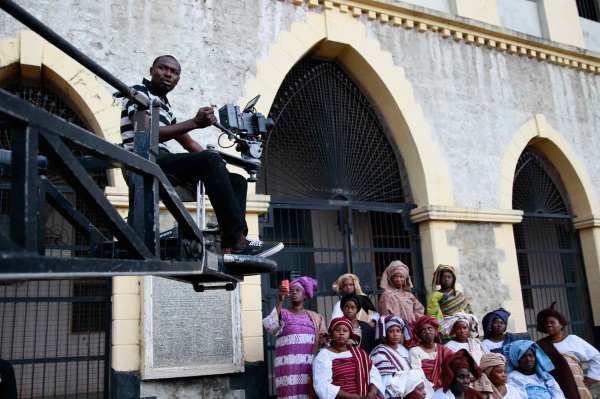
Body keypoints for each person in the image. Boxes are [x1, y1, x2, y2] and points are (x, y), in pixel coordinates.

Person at [120, 55, 282, 257]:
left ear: (178, 79)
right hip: (143, 158)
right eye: (163, 68)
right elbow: (145, 133)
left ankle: (229, 246)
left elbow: (188, 143)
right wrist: (195, 123)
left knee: (237, 181)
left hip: (162, 161)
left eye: (174, 72)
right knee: (209, 159)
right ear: (151, 70)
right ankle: (238, 242)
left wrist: (219, 166)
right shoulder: (139, 93)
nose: (168, 74)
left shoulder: (165, 106)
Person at [263, 276, 326, 399]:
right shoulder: (284, 313)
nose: (294, 292)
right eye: (291, 290)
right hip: (288, 368)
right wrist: (279, 300)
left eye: (298, 290)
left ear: (305, 295)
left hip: (308, 366)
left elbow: (324, 339)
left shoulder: (315, 317)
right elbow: (270, 326)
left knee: (308, 394)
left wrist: (324, 339)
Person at [536, 303, 600, 399]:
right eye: (546, 323)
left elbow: (596, 356)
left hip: (575, 385)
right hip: (554, 387)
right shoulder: (541, 344)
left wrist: (592, 377)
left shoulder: (573, 340)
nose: (548, 325)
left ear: (561, 324)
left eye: (552, 322)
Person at [313, 317, 385, 399]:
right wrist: (353, 397)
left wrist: (372, 392)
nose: (341, 333)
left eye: (345, 331)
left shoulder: (360, 354)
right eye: (337, 330)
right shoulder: (324, 356)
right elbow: (322, 385)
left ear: (350, 335)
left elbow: (374, 375)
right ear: (331, 334)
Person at [370, 315, 413, 394]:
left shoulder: (404, 350)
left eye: (398, 331)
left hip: (408, 389)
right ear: (386, 334)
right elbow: (385, 379)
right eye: (391, 331)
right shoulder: (380, 352)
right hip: (392, 391)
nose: (395, 334)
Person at [409, 315, 454, 388]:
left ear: (435, 331)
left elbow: (455, 363)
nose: (427, 332)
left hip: (443, 389)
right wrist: (430, 387)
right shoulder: (414, 351)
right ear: (419, 335)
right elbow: (417, 373)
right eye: (423, 330)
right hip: (425, 389)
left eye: (430, 328)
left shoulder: (443, 350)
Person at [378, 261, 425, 325]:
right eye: (395, 277)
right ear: (391, 278)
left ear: (405, 279)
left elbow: (419, 309)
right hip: (396, 330)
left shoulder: (409, 295)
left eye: (401, 277)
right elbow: (385, 315)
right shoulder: (386, 295)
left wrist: (414, 319)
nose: (398, 279)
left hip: (412, 328)